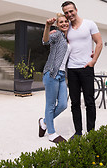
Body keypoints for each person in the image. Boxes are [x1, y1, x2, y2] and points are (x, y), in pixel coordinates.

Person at [61, 1, 103, 139]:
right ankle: (78, 132)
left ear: (76, 10)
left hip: (86, 69)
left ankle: (91, 132)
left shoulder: (89, 24)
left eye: (71, 11)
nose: (69, 14)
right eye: (66, 12)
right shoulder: (67, 29)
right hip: (72, 69)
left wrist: (93, 61)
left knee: (89, 101)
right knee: (74, 103)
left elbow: (99, 43)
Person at [38, 13, 71, 144]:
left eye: (66, 21)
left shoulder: (69, 39)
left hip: (62, 75)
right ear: (57, 25)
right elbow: (45, 41)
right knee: (50, 105)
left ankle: (44, 122)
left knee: (63, 104)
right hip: (52, 73)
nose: (64, 24)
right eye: (61, 22)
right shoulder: (56, 34)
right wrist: (47, 26)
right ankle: (51, 133)